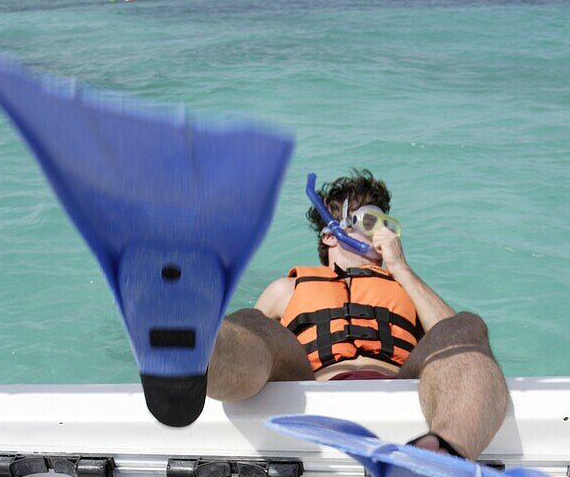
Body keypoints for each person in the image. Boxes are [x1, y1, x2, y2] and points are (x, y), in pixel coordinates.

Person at [208, 170, 509, 461]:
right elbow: (254, 348)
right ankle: (194, 358)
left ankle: (446, 459)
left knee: (467, 325)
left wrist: (401, 269)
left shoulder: (407, 288)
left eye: (386, 225)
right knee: (253, 323)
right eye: (369, 221)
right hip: (314, 383)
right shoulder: (287, 288)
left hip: (395, 383)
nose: (382, 233)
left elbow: (460, 340)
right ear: (330, 235)